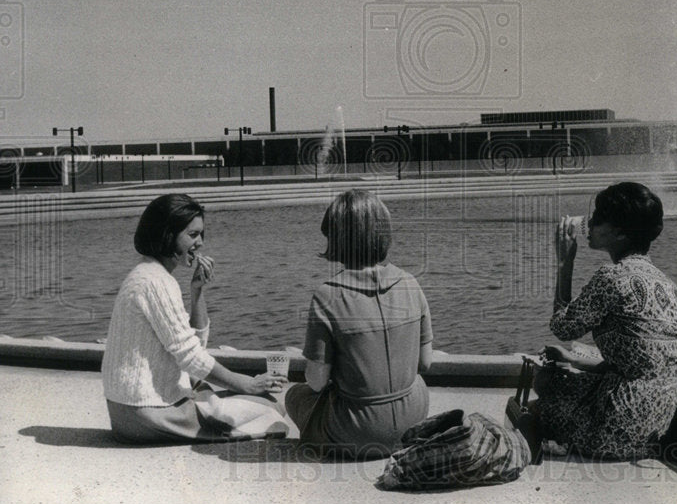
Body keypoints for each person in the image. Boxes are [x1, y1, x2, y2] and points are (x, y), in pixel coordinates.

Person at [102, 194, 286, 443]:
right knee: (273, 407)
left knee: (244, 401)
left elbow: (192, 348)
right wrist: (246, 384)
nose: (200, 243)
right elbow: (190, 356)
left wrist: (197, 291)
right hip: (149, 413)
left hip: (127, 412)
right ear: (167, 235)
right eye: (192, 235)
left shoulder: (146, 274)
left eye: (201, 234)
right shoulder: (157, 282)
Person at [532, 181, 677, 459]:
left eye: (599, 217)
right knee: (568, 374)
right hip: (663, 419)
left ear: (621, 233)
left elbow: (562, 327)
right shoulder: (669, 285)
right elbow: (639, 362)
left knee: (545, 380)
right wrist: (574, 359)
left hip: (617, 424)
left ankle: (575, 438)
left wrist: (565, 263)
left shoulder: (611, 278)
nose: (589, 223)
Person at [284, 189, 434, 457]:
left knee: (295, 396)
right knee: (416, 383)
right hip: (414, 419)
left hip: (357, 431)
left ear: (337, 239)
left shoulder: (326, 296)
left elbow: (317, 382)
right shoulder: (411, 283)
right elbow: (425, 363)